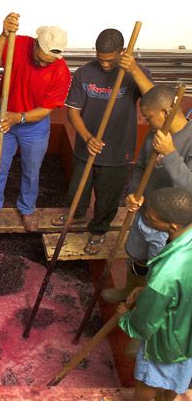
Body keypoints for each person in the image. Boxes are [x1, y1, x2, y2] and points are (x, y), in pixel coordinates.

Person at [51, 29, 153, 255]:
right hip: (85, 147)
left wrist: (133, 68)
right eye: (101, 59)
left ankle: (98, 231)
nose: (105, 65)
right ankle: (76, 215)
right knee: (77, 190)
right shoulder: (85, 73)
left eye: (111, 60)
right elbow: (73, 112)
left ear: (123, 52)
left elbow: (154, 99)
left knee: (108, 197)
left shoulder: (134, 73)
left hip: (118, 151)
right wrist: (87, 137)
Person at [102, 85, 192, 302]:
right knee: (136, 259)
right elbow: (141, 167)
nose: (147, 122)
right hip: (144, 213)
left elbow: (189, 187)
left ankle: (144, 307)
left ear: (166, 112)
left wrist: (170, 153)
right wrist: (134, 192)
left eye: (149, 117)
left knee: (158, 271)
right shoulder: (155, 134)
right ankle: (129, 292)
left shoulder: (188, 140)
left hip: (168, 226)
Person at [0, 13, 71, 231]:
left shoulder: (62, 72)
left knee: (31, 170)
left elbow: (46, 109)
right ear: (35, 43)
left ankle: (26, 208)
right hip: (5, 117)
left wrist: (19, 118)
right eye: (40, 58)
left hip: (34, 126)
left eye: (47, 62)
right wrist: (4, 35)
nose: (41, 64)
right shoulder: (18, 43)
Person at [118, 187, 192, 401]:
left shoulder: (166, 274)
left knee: (149, 380)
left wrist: (125, 317)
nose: (145, 216)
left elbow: (146, 322)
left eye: (150, 217)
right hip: (188, 335)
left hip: (167, 340)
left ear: (173, 225)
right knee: (178, 376)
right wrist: (146, 291)